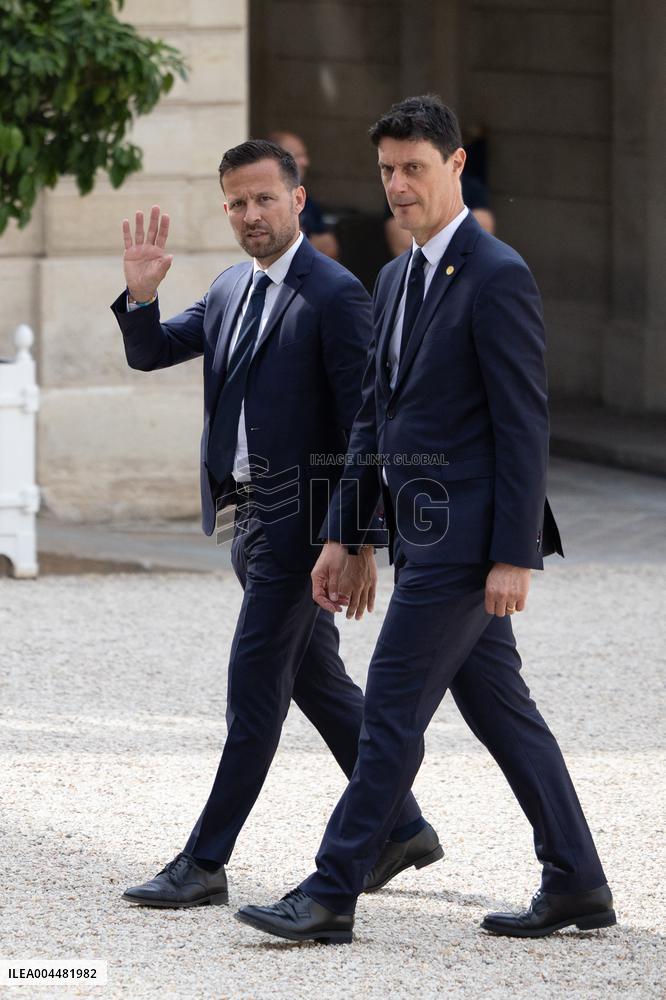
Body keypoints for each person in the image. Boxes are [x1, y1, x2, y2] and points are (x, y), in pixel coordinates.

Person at [236, 97, 615, 944]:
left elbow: (524, 424)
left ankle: (331, 891)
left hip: (469, 542)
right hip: (417, 531)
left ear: (453, 167)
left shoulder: (499, 274)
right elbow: (374, 418)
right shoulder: (396, 274)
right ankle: (579, 881)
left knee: (391, 712)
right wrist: (349, 533)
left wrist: (515, 555)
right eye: (386, 171)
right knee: (502, 713)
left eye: (413, 168)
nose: (398, 186)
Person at [110, 139, 440, 909]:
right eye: (237, 202)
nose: (251, 214)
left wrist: (357, 539)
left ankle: (205, 861)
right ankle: (401, 827)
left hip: (306, 527)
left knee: (253, 691)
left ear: (298, 197)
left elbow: (371, 421)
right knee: (317, 684)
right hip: (249, 523)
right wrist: (140, 296)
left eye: (264, 198)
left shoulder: (336, 294)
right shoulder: (230, 288)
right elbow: (152, 351)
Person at [269, 130, 340, 259]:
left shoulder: (308, 203)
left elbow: (329, 248)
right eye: (297, 156)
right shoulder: (263, 205)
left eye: (304, 155)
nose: (305, 162)